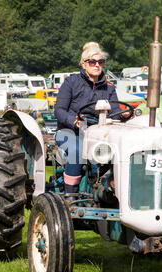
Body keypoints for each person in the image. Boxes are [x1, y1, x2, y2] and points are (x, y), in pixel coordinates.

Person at [54, 42, 130, 198]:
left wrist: (124, 115)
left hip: (98, 134)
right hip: (70, 131)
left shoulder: (109, 88)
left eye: (100, 62)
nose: (97, 65)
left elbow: (115, 112)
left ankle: (114, 190)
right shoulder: (71, 82)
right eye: (92, 62)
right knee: (77, 151)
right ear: (84, 64)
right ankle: (71, 196)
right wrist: (73, 120)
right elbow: (59, 110)